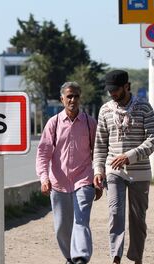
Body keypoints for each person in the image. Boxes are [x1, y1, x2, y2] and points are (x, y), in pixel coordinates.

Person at [93, 70, 154, 264]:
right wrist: (98, 170)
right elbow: (100, 144)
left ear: (127, 86)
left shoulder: (144, 107)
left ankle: (137, 258)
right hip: (114, 172)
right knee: (115, 214)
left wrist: (129, 156)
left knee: (138, 219)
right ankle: (116, 257)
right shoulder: (105, 110)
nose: (113, 94)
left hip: (140, 173)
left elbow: (152, 139)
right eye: (110, 90)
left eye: (116, 90)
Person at [36, 82, 99, 264]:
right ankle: (70, 258)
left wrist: (98, 177)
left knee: (81, 221)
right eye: (69, 96)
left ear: (80, 98)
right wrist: (44, 178)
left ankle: (81, 258)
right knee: (62, 228)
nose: (73, 100)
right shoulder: (53, 124)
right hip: (58, 183)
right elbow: (43, 154)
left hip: (84, 180)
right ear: (62, 99)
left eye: (76, 96)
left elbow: (98, 152)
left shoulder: (89, 123)